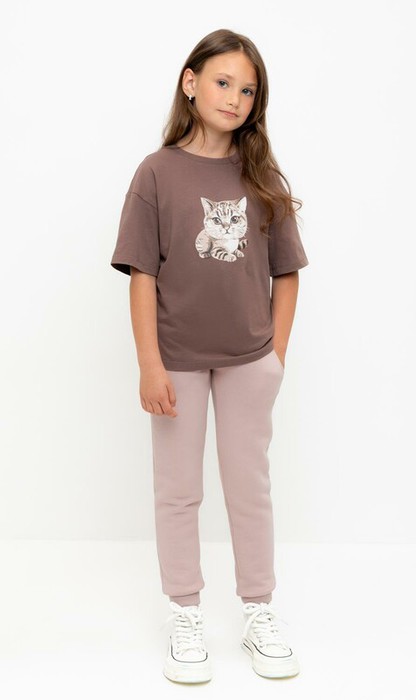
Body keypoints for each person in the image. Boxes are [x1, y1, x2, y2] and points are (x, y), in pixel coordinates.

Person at [110, 28, 309, 684]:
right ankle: (185, 611)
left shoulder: (261, 177)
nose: (234, 98)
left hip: (250, 359)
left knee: (249, 486)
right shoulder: (157, 172)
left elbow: (287, 272)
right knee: (178, 489)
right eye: (223, 82)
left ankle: (259, 609)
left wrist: (275, 354)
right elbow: (142, 273)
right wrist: (149, 363)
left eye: (248, 90)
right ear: (190, 82)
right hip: (177, 359)